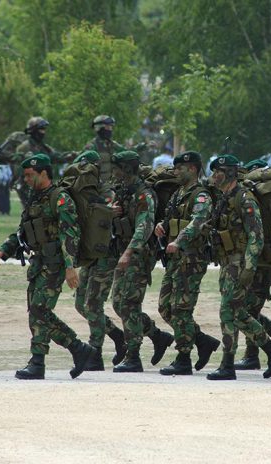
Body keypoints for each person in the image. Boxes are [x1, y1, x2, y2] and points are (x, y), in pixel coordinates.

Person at [0, 153, 96, 380]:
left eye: (30, 175)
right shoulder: (35, 198)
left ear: (44, 173)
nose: (26, 179)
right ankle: (76, 349)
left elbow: (70, 233)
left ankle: (39, 361)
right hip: (38, 262)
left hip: (56, 263)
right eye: (25, 176)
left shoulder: (60, 198)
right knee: (37, 311)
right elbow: (23, 231)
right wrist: (5, 249)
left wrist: (70, 267)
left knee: (39, 309)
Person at [205, 154, 271, 381]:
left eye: (218, 172)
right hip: (227, 262)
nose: (214, 176)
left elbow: (257, 236)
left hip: (240, 262)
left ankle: (227, 363)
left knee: (228, 311)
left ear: (230, 172)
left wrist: (250, 267)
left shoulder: (245, 199)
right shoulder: (224, 198)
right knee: (236, 313)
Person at [155, 151, 221, 375]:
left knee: (181, 308)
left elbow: (199, 221)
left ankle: (183, 357)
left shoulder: (201, 195)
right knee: (165, 307)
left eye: (179, 168)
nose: (175, 172)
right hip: (175, 258)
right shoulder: (178, 194)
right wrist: (162, 227)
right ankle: (202, 341)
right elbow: (170, 218)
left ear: (192, 169)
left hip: (191, 258)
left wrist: (179, 240)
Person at [109, 150, 174, 373]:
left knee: (129, 304)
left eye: (117, 168)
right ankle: (157, 336)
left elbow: (144, 227)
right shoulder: (123, 192)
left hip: (137, 255)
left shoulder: (144, 195)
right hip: (124, 252)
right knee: (118, 303)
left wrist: (128, 253)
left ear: (127, 168)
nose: (114, 172)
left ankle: (133, 355)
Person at [71, 150, 127, 371]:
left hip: (107, 253)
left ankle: (95, 354)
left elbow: (112, 210)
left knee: (93, 304)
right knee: (80, 303)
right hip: (91, 254)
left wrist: (106, 211)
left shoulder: (105, 190)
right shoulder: (82, 192)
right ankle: (117, 335)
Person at [84, 115, 125, 182]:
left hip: (114, 183)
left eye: (111, 127)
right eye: (108, 127)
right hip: (99, 186)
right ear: (99, 128)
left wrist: (139, 148)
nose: (110, 130)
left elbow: (125, 151)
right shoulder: (92, 146)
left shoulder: (112, 143)